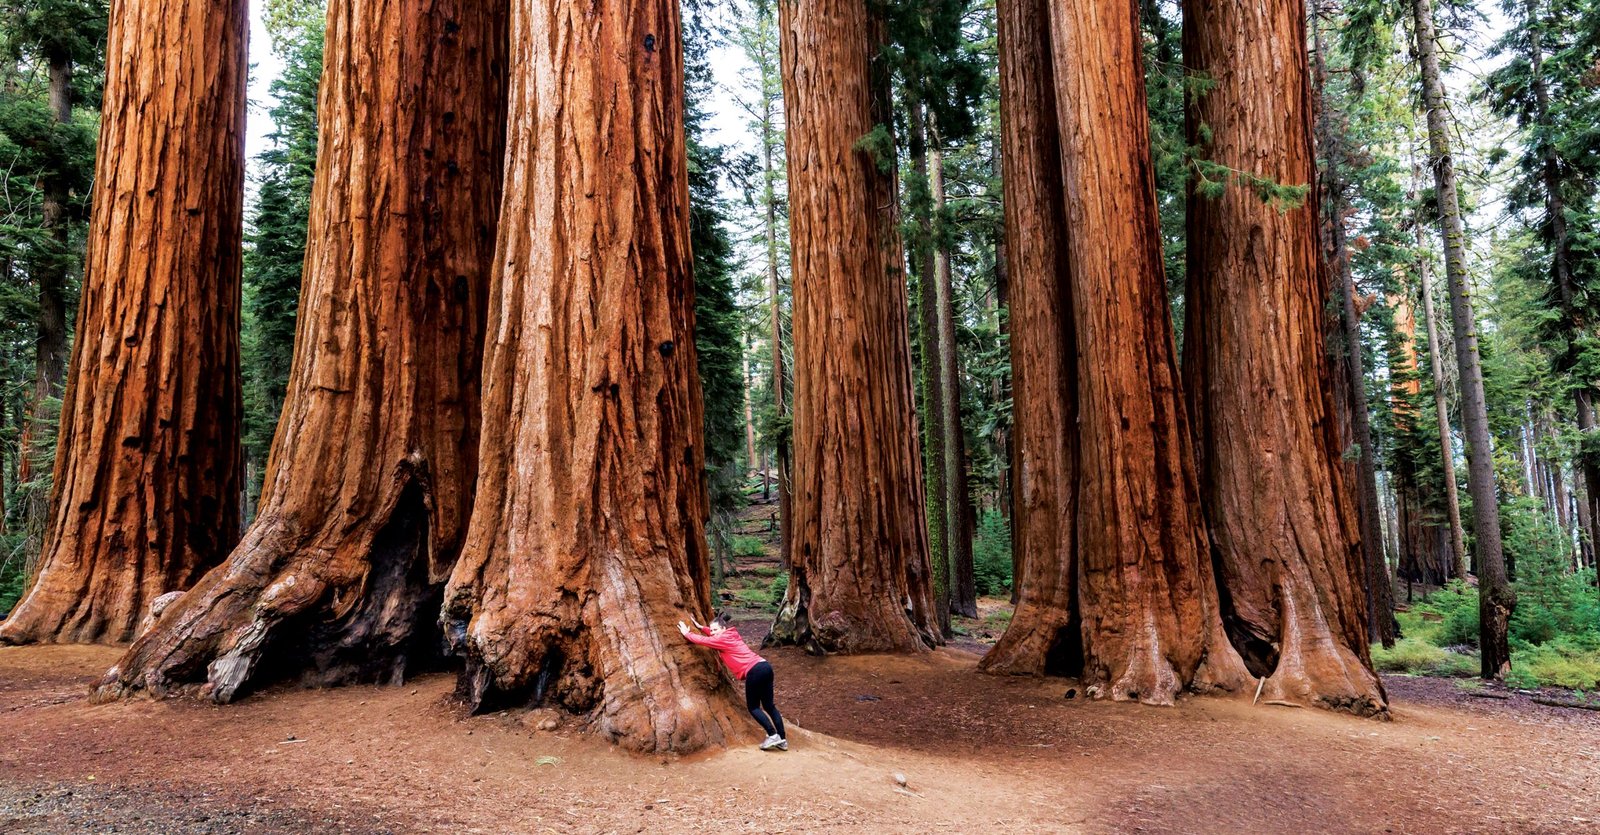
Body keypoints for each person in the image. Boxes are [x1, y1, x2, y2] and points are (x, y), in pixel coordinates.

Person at [678, 613, 787, 751]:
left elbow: (703, 641)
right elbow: (712, 635)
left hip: (754, 671)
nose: (712, 633)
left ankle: (772, 735)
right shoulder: (731, 635)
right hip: (765, 666)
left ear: (723, 629)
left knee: (753, 707)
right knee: (769, 706)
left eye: (715, 630)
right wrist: (701, 627)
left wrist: (687, 633)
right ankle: (782, 739)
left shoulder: (721, 640)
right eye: (711, 630)